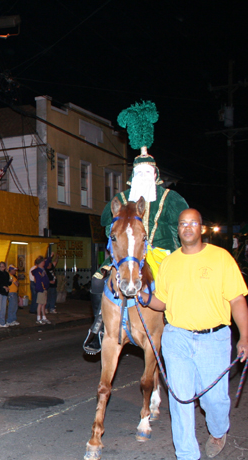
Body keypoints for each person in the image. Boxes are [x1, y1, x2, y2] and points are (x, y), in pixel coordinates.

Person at [147, 208, 248, 460]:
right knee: (181, 399)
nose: (187, 227)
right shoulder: (169, 262)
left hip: (214, 338)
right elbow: (162, 301)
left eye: (193, 223)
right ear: (178, 229)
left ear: (201, 228)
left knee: (213, 400)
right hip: (177, 338)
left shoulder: (220, 258)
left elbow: (237, 300)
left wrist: (244, 337)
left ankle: (218, 431)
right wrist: (142, 297)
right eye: (183, 224)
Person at [83, 101, 189, 354]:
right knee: (98, 282)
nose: (143, 177)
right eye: (138, 172)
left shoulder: (170, 198)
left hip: (162, 254)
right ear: (133, 176)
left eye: (148, 172)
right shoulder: (124, 199)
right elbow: (103, 220)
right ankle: (99, 327)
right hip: (130, 255)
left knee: (177, 287)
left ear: (156, 175)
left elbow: (186, 223)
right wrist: (116, 208)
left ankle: (181, 327)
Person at [32, 256, 51, 324]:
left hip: (44, 288)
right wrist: (41, 289)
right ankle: (38, 318)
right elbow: (38, 281)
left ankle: (44, 317)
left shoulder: (42, 269)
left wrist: (50, 257)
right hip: (41, 289)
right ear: (40, 263)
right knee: (40, 304)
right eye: (43, 262)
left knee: (43, 303)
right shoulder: (38, 271)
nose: (44, 263)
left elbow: (47, 263)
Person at [0, 261, 11, 328]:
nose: (1, 268)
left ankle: (2, 322)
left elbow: (8, 283)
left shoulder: (6, 274)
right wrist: (4, 287)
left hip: (5, 292)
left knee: (3, 308)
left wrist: (9, 282)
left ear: (5, 267)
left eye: (3, 266)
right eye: (0, 266)